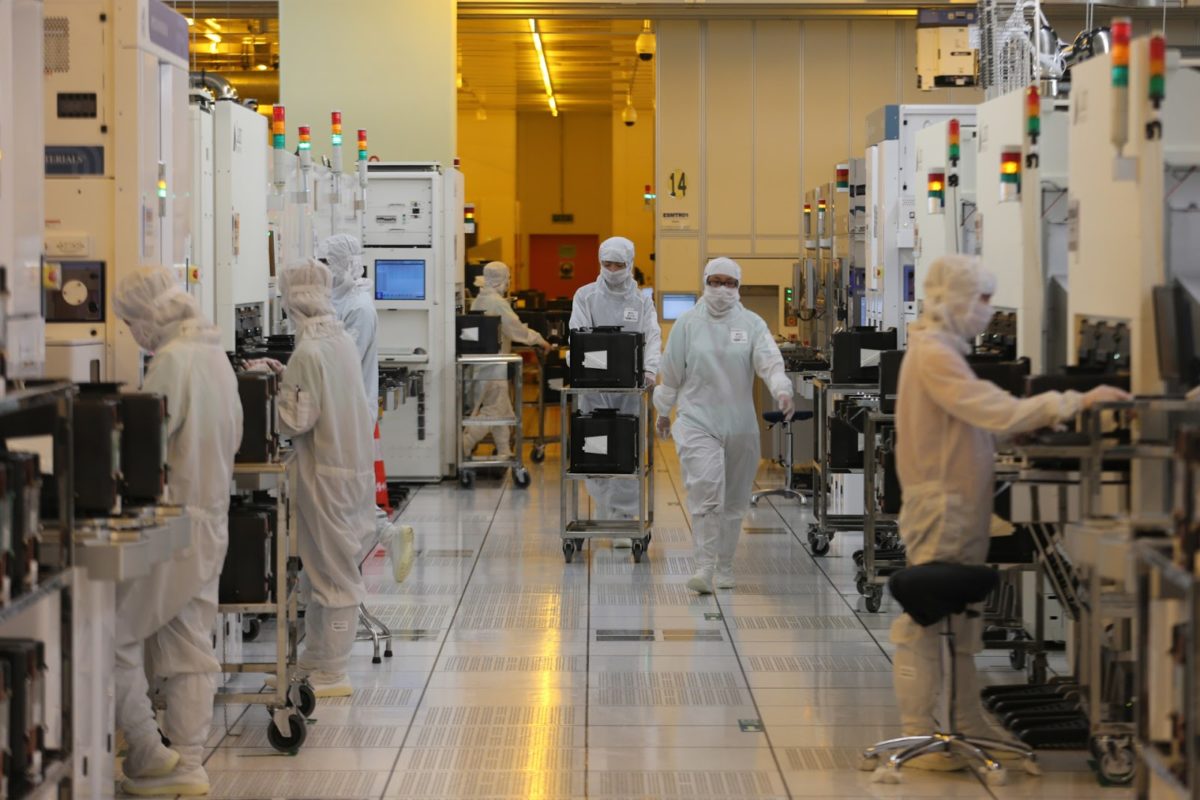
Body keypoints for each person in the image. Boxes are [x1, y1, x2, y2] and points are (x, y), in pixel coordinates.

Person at [891, 254, 1131, 769]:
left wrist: (1014, 430)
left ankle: (963, 724)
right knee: (927, 625)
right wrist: (1075, 402)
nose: (985, 310)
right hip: (943, 511)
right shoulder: (933, 354)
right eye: (980, 299)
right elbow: (990, 408)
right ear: (952, 298)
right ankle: (922, 734)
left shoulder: (942, 351)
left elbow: (975, 424)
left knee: (962, 624)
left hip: (958, 507)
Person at [112, 266, 242, 796]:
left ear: (147, 316)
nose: (132, 334)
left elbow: (146, 445)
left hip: (173, 524)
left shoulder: (170, 361)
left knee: (112, 636)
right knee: (190, 643)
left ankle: (147, 749)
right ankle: (187, 764)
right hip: (210, 519)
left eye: (129, 323)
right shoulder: (214, 354)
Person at [653, 257, 795, 594]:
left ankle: (725, 564)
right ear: (704, 282)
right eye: (715, 281)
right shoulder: (687, 324)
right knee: (706, 492)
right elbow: (671, 373)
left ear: (738, 287)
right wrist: (662, 411)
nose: (722, 289)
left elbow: (769, 361)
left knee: (734, 501)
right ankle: (703, 566)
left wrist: (782, 390)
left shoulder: (752, 324)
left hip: (740, 424)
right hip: (697, 419)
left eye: (729, 283)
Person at [277, 259, 375, 698]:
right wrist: (287, 378)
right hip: (347, 470)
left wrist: (268, 396)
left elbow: (293, 420)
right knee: (323, 571)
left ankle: (333, 672)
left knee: (332, 576)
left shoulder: (308, 352)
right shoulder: (339, 343)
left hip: (324, 477)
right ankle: (316, 658)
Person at [318, 234, 413, 580]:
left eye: (327, 264)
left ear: (345, 264)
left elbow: (343, 361)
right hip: (339, 409)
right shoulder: (339, 300)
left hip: (349, 411)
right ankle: (383, 536)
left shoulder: (358, 307)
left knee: (345, 487)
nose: (323, 271)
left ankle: (371, 543)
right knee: (348, 488)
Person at [570, 237, 662, 545]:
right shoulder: (585, 296)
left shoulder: (641, 301)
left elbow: (652, 334)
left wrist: (649, 370)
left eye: (618, 265)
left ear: (630, 265)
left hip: (630, 391)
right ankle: (604, 510)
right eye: (606, 264)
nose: (612, 271)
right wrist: (590, 367)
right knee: (596, 451)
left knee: (627, 450)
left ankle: (624, 518)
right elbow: (577, 336)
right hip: (594, 389)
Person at [462, 261, 552, 459]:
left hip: (483, 365)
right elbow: (515, 328)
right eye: (508, 278)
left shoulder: (480, 300)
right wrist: (540, 340)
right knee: (495, 411)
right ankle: (464, 444)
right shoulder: (497, 302)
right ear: (501, 280)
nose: (509, 282)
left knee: (503, 410)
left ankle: (504, 451)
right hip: (493, 366)